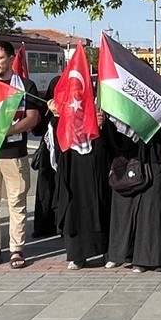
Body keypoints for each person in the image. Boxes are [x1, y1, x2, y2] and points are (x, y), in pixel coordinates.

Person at [0, 41, 44, 270]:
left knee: (16, 202)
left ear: (11, 58)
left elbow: (32, 118)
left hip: (14, 153)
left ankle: (16, 249)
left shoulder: (24, 86)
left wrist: (6, 130)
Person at [105, 120, 161, 272]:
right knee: (124, 209)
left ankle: (149, 259)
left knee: (152, 210)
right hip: (126, 156)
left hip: (155, 155)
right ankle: (121, 254)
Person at [53, 105, 113, 269]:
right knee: (74, 206)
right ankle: (77, 255)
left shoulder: (100, 99)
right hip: (73, 160)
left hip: (96, 155)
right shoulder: (68, 101)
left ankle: (107, 251)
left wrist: (101, 124)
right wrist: (58, 116)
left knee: (101, 201)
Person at [29, 76, 62, 239]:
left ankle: (60, 223)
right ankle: (44, 225)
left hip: (64, 153)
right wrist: (48, 111)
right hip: (48, 155)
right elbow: (37, 129)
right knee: (46, 188)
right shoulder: (46, 105)